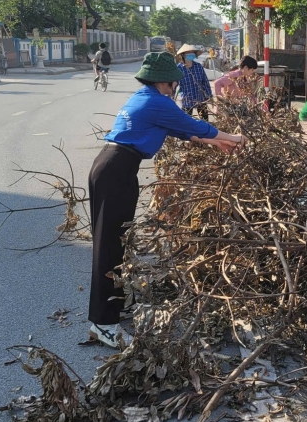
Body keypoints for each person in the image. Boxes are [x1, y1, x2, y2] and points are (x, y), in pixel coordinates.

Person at [88, 52, 246, 348]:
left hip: (114, 166)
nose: (176, 86)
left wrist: (219, 143)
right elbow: (197, 127)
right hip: (115, 169)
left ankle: (116, 304)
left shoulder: (145, 97)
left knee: (119, 239)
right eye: (175, 82)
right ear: (168, 82)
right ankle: (102, 322)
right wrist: (236, 139)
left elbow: (186, 133)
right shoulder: (157, 102)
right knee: (109, 244)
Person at [176, 43, 213, 119]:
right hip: (187, 102)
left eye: (192, 52)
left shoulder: (198, 67)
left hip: (201, 100)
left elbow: (205, 82)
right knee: (187, 124)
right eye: (188, 52)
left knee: (205, 123)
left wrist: (209, 97)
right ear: (183, 55)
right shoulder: (179, 69)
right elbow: (173, 85)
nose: (191, 54)